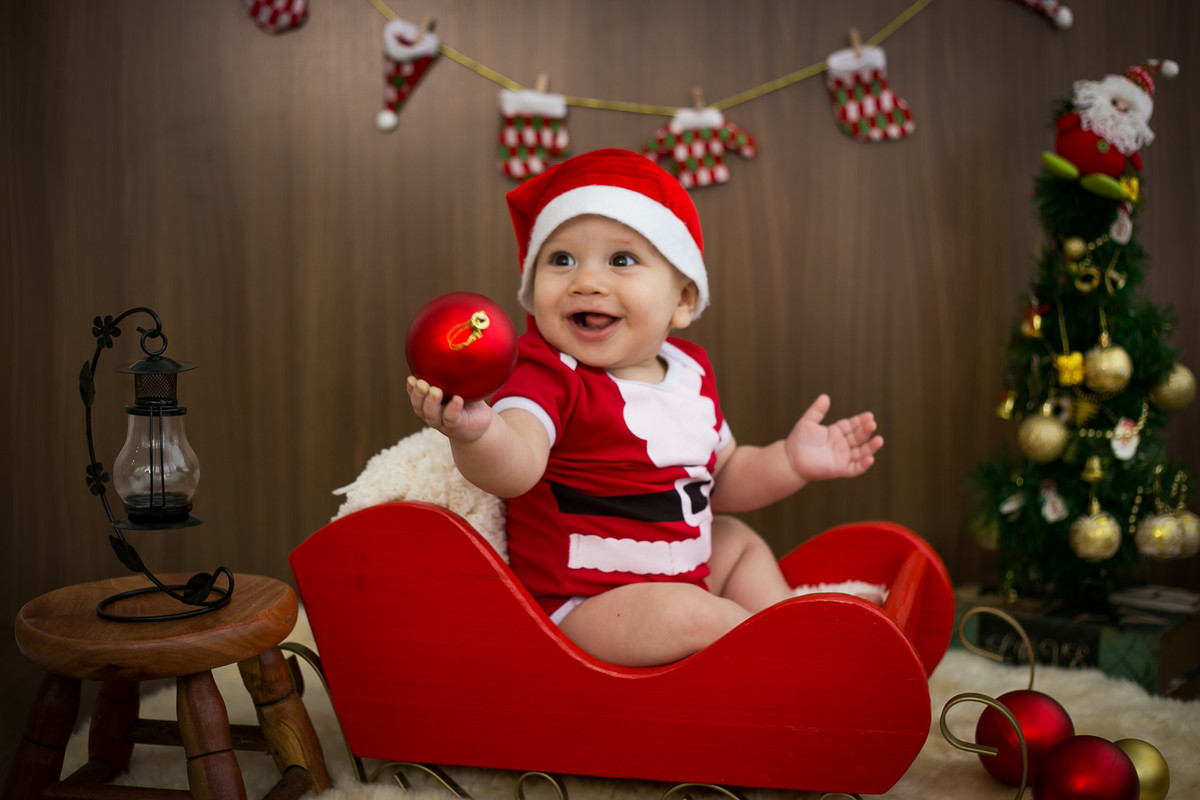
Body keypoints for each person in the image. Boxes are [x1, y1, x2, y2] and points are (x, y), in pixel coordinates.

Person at [408, 148, 883, 667]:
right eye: (561, 259)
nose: (586, 281)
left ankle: (784, 615)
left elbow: (722, 479)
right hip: (582, 605)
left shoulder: (691, 372)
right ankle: (787, 659)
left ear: (682, 301)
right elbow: (517, 467)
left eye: (621, 260)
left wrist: (790, 462)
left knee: (736, 541)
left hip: (679, 574)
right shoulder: (547, 373)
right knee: (692, 614)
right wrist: (479, 432)